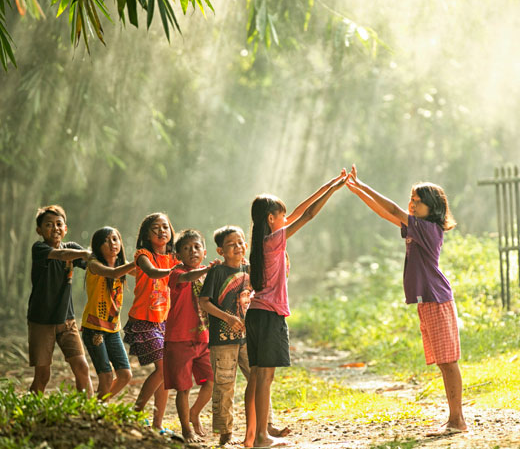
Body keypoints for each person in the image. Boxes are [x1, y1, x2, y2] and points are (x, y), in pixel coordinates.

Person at [346, 164, 467, 435]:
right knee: (443, 361)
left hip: (437, 299)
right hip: (429, 300)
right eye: (411, 200)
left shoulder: (428, 229)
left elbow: (391, 210)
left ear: (432, 207)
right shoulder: (418, 226)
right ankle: (454, 419)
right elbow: (386, 213)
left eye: (417, 201)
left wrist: (362, 186)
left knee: (448, 362)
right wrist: (358, 191)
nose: (411, 205)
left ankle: (457, 420)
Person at [246, 170, 347, 448]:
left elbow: (301, 210)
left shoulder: (262, 242)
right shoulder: (273, 241)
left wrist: (327, 185)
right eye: (281, 215)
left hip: (255, 314)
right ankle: (261, 438)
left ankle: (257, 434)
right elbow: (308, 216)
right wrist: (332, 192)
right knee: (265, 378)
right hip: (268, 315)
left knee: (259, 376)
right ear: (271, 219)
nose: (286, 219)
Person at [199, 225, 289, 446]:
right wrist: (228, 318)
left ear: (246, 245)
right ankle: (225, 432)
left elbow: (278, 278)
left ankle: (266, 425)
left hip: (249, 338)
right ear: (220, 251)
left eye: (240, 243)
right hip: (222, 340)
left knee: (259, 380)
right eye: (231, 244)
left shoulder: (251, 269)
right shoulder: (217, 272)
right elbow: (204, 302)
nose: (237, 247)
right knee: (224, 384)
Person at [27, 205, 94, 396]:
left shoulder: (72, 247)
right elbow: (62, 255)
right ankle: (31, 411)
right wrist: (84, 254)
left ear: (65, 229)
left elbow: (93, 265)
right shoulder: (40, 248)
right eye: (49, 224)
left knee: (82, 367)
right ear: (39, 230)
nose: (55, 228)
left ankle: (88, 410)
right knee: (42, 375)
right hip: (41, 320)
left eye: (59, 224)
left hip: (67, 320)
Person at [123, 212, 178, 430]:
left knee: (164, 373)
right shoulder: (142, 254)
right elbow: (152, 272)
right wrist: (174, 271)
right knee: (163, 370)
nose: (162, 231)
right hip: (143, 320)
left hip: (164, 323)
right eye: (156, 227)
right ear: (147, 234)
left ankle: (157, 424)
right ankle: (135, 414)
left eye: (165, 226)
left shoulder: (174, 257)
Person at [165, 229, 217, 443]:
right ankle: (186, 430)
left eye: (196, 247)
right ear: (178, 256)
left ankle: (194, 413)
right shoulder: (176, 273)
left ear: (204, 251)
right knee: (184, 388)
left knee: (212, 380)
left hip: (203, 338)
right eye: (186, 249)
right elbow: (188, 277)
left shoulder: (207, 275)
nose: (192, 251)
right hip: (179, 339)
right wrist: (208, 270)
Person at [81, 227, 135, 401]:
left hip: (113, 330)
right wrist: (138, 262)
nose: (112, 243)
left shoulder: (122, 265)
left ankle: (98, 404)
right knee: (106, 376)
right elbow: (112, 273)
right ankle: (97, 412)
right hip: (94, 328)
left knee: (125, 375)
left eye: (115, 239)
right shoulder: (94, 265)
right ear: (97, 246)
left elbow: (147, 274)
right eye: (106, 240)